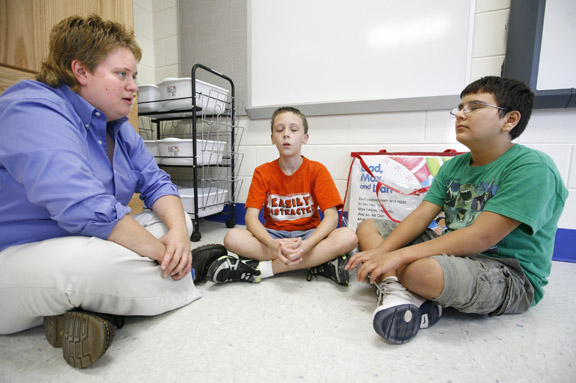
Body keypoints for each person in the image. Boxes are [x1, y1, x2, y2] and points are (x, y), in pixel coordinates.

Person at [0, 15, 224, 368]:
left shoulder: (117, 127)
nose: (133, 86)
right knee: (94, 263)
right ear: (81, 71)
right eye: (122, 75)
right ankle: (190, 272)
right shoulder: (32, 107)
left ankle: (88, 311)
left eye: (134, 76)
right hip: (18, 257)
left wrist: (178, 234)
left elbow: (157, 183)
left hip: (88, 239)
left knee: (158, 222)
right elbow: (82, 205)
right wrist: (161, 253)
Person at [346, 76, 568, 344]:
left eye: (474, 107)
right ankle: (399, 293)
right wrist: (382, 252)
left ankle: (403, 287)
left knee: (421, 271)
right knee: (368, 228)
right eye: (460, 108)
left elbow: (481, 238)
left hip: (506, 270)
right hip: (451, 250)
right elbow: (421, 216)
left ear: (509, 120)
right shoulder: (454, 166)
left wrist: (397, 257)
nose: (461, 115)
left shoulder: (532, 167)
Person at [207, 107, 358, 285]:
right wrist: (273, 244)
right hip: (274, 237)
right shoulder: (262, 172)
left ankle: (264, 269)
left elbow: (332, 216)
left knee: (348, 237)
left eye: (294, 130)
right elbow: (251, 218)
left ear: (305, 138)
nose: (286, 134)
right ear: (272, 138)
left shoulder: (317, 170)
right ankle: (319, 263)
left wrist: (307, 245)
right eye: (279, 130)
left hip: (309, 236)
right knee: (232, 238)